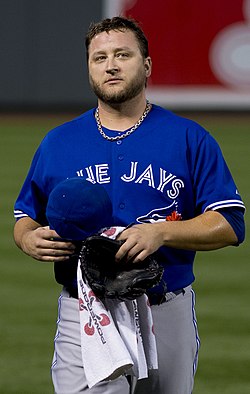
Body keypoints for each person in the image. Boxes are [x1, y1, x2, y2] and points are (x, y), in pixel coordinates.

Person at [13, 16, 245, 394]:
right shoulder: (58, 143)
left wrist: (163, 231)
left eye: (123, 54)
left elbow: (231, 222)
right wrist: (27, 238)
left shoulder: (188, 138)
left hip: (165, 308)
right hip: (85, 309)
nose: (111, 65)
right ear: (89, 69)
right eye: (99, 58)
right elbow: (25, 216)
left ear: (147, 65)